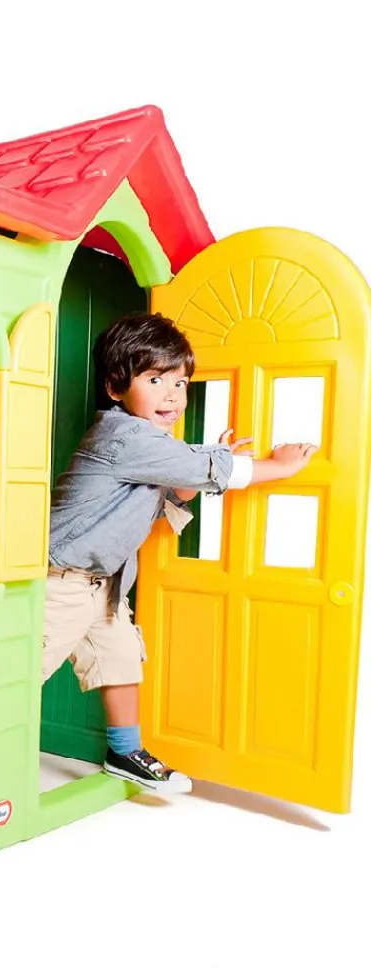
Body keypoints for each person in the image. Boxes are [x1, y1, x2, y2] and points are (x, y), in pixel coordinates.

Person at [43, 312, 317, 793]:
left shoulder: (154, 444)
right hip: (59, 581)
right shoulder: (123, 436)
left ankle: (125, 752)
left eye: (180, 383)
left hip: (104, 585)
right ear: (115, 387)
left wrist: (204, 464)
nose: (172, 395)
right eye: (155, 380)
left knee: (121, 659)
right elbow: (208, 472)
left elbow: (175, 491)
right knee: (21, 667)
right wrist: (277, 466)